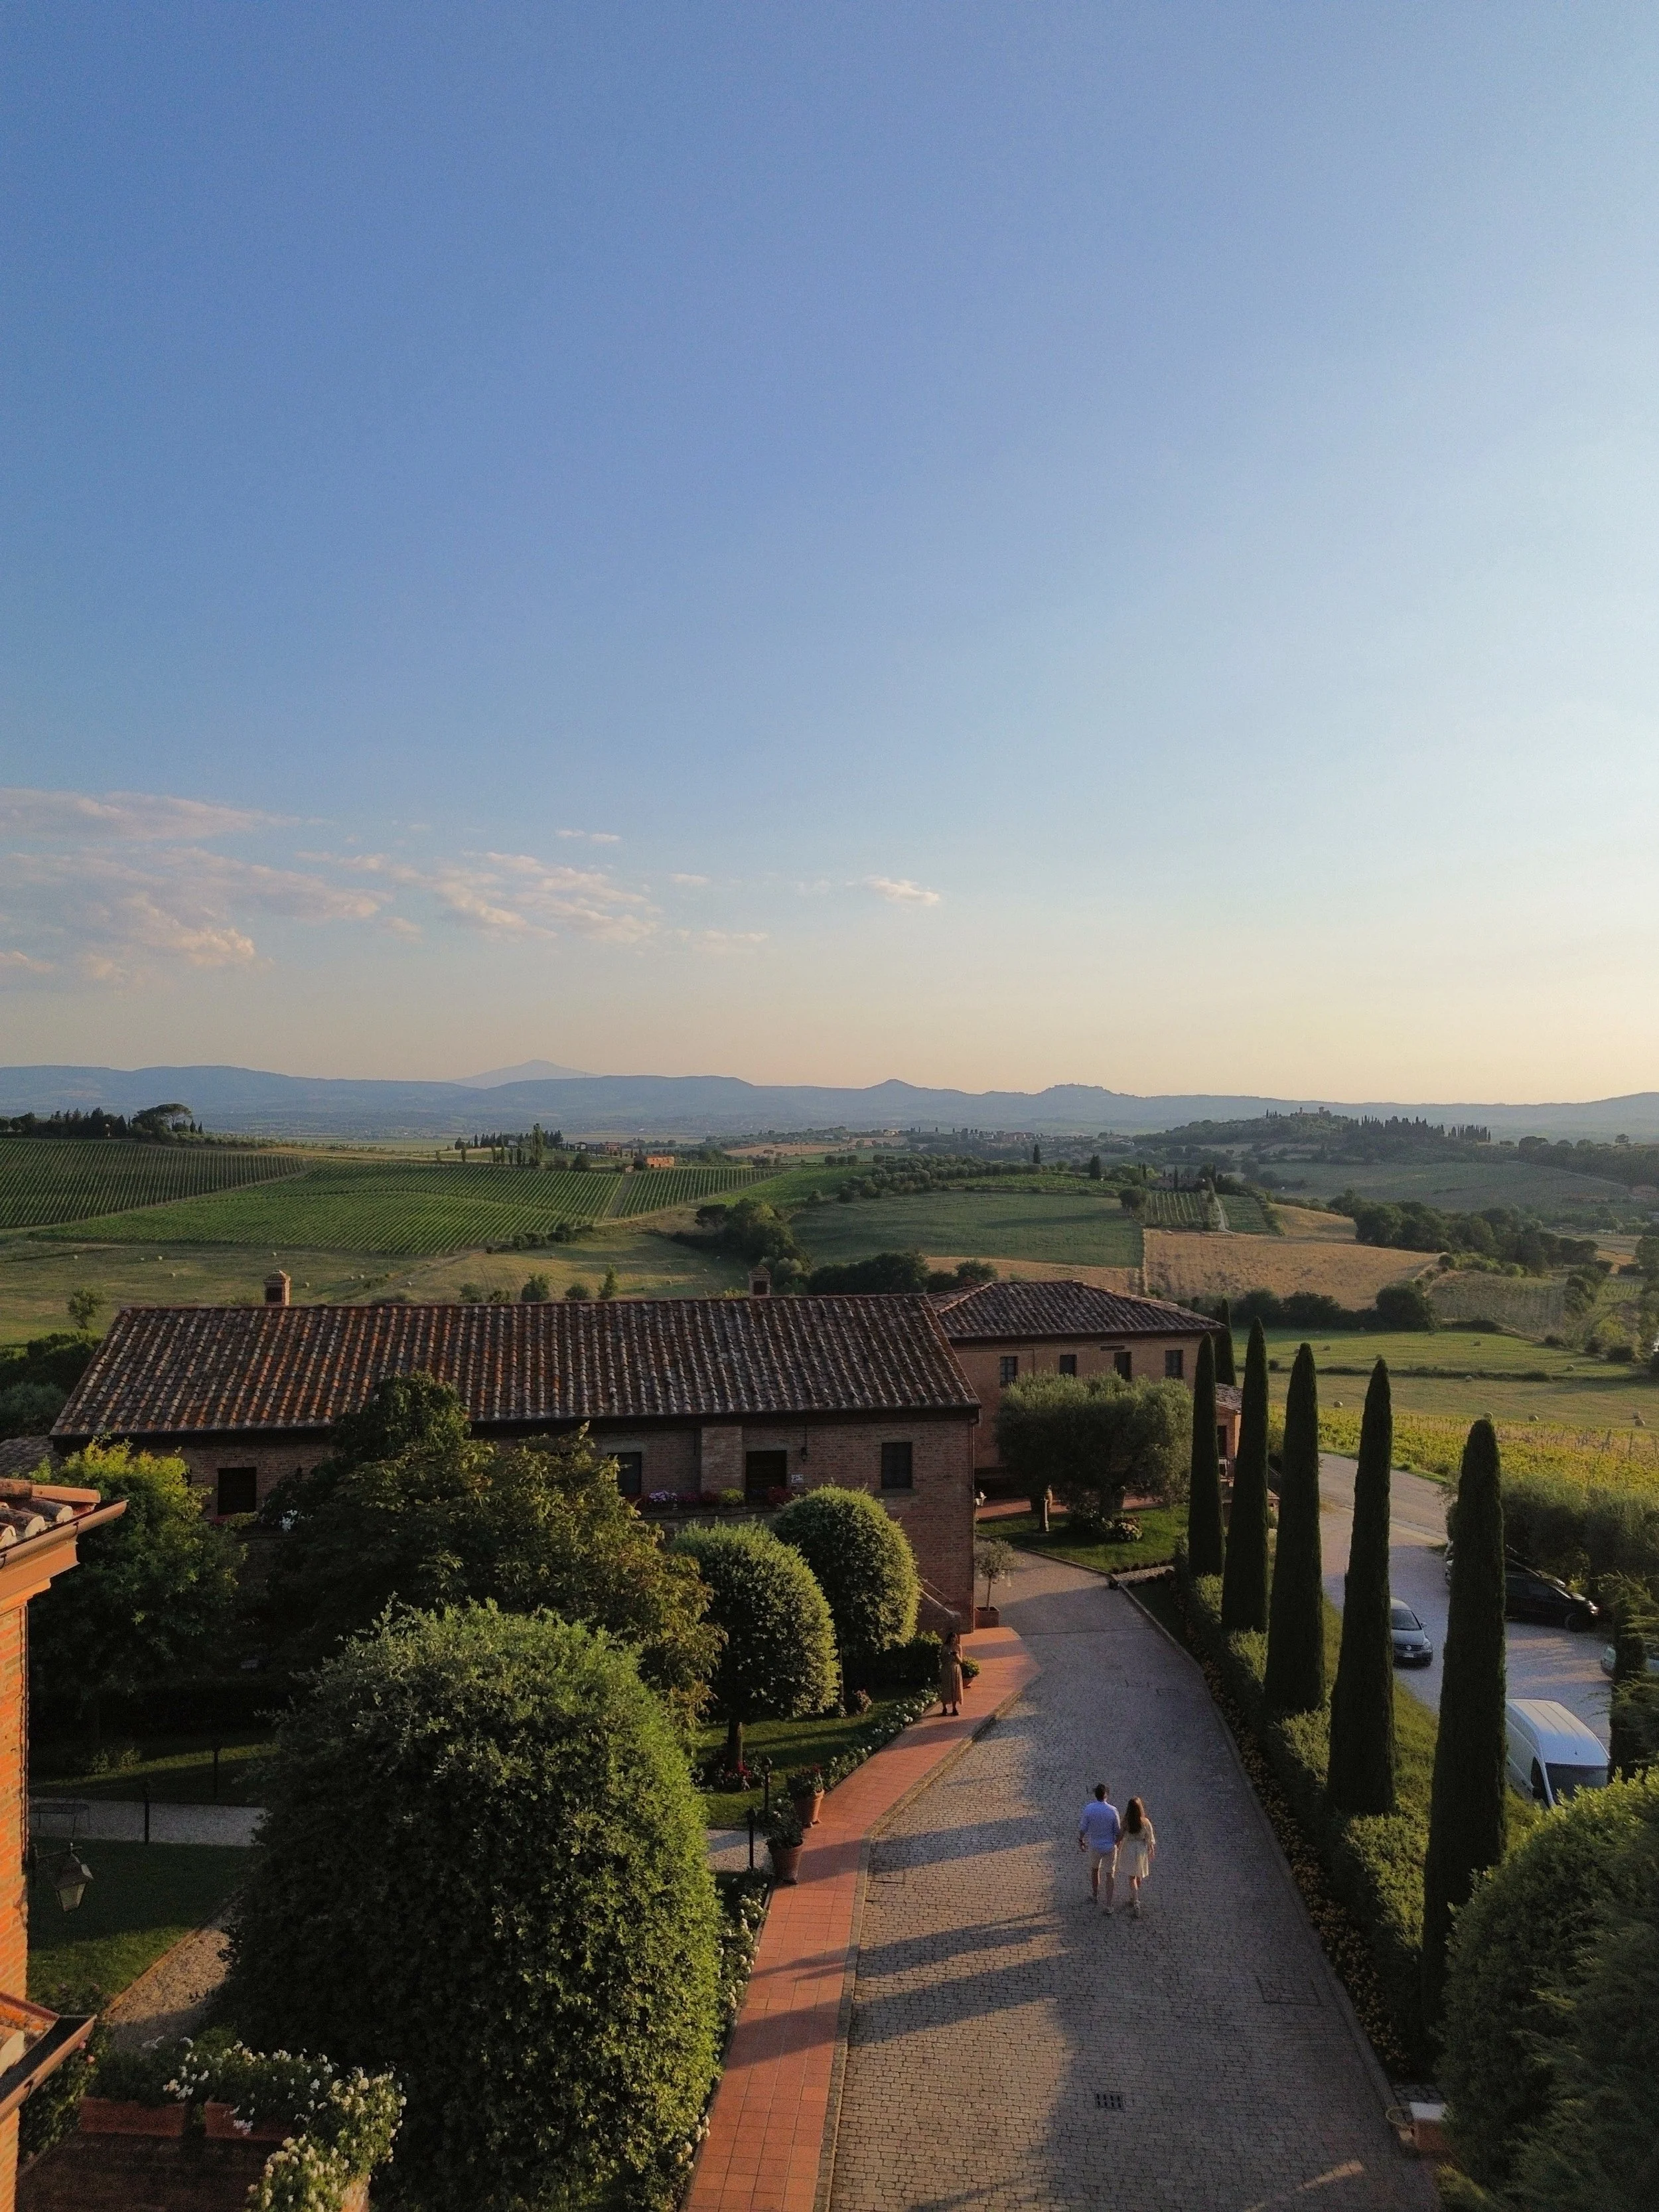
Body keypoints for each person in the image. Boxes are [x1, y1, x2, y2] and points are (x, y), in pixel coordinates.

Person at [1077, 1783, 1120, 1909]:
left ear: (1096, 1795)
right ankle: (1109, 1905)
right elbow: (1117, 1830)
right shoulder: (1113, 1810)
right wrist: (1117, 1843)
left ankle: (1095, 1895)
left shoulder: (1089, 1809)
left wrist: (1081, 1840)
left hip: (1095, 1846)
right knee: (1110, 1874)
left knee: (1095, 1870)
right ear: (1106, 1795)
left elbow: (1083, 1828)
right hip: (1109, 1847)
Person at [1117, 1797, 1156, 1917]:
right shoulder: (1145, 1822)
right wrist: (1151, 1850)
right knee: (1139, 1874)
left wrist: (1117, 1845)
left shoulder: (1126, 1821)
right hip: (1141, 1850)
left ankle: (1135, 1899)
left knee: (1132, 1877)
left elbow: (1120, 1836)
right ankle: (1135, 1896)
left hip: (1129, 1849)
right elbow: (1149, 1839)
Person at [938, 1626, 964, 1716]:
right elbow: (942, 1659)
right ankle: (944, 1708)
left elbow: (961, 1661)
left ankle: (954, 1708)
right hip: (947, 1669)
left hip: (956, 1669)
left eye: (955, 1640)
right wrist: (948, 1656)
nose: (953, 1641)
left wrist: (956, 1656)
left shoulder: (959, 1647)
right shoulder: (945, 1647)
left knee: (955, 1689)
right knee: (946, 1688)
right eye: (952, 1640)